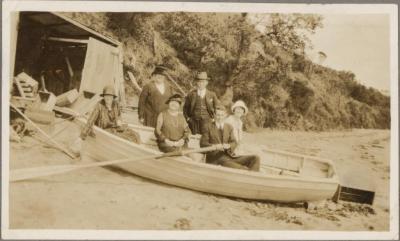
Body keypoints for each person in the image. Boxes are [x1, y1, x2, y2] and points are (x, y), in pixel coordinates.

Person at [70, 85, 140, 156]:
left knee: (134, 135)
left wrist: (119, 120)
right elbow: (91, 120)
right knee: (123, 138)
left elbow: (119, 115)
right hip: (106, 130)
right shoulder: (99, 105)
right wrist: (81, 137)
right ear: (103, 97)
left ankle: (132, 152)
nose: (108, 98)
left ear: (113, 97)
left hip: (116, 128)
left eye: (110, 96)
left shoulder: (116, 104)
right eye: (106, 96)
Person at [200, 104, 260, 171]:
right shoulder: (208, 127)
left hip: (230, 157)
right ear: (214, 115)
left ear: (225, 116)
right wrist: (216, 146)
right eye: (218, 115)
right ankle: (249, 178)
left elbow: (234, 142)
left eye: (222, 115)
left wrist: (229, 146)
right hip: (216, 159)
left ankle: (251, 179)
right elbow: (203, 144)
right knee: (243, 169)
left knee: (255, 158)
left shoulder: (229, 127)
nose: (220, 118)